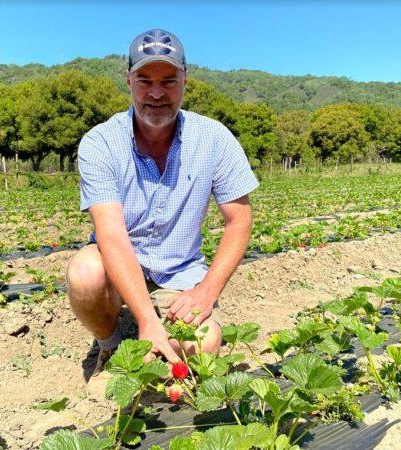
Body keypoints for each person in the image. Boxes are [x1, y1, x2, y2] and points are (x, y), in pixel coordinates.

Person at [66, 29, 259, 395]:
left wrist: (205, 292)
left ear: (185, 80)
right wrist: (145, 321)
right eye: (145, 80)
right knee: (85, 272)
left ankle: (161, 332)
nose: (156, 93)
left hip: (180, 272)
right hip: (119, 267)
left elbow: (239, 220)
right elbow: (111, 235)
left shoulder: (215, 139)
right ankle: (111, 347)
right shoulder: (100, 143)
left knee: (202, 348)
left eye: (169, 81)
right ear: (128, 80)